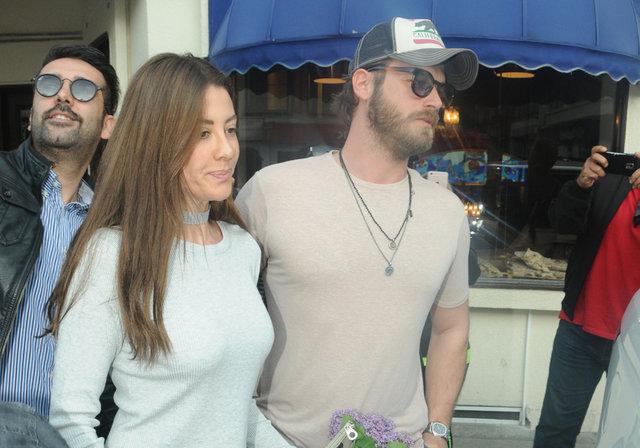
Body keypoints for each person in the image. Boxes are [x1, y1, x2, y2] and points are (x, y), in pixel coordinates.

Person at [236, 17, 478, 448]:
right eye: (420, 81)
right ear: (363, 83)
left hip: (400, 440)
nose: (436, 100)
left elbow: (450, 329)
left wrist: (438, 430)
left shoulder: (447, 213)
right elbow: (224, 319)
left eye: (443, 89)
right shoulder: (273, 192)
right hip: (285, 438)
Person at [46, 53, 291, 448]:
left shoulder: (242, 249)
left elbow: (235, 408)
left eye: (230, 129)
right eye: (202, 133)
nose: (227, 150)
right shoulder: (110, 254)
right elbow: (71, 421)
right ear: (157, 142)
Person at [0, 45, 119, 420]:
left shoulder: (115, 225)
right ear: (32, 115)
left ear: (107, 126)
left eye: (83, 89)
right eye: (49, 84)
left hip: (74, 434)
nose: (63, 95)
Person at [533, 145, 640, 447]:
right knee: (555, 430)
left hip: (636, 342)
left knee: (629, 436)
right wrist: (580, 186)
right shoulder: (614, 177)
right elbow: (562, 224)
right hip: (581, 330)